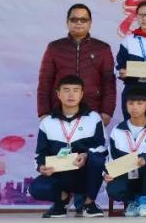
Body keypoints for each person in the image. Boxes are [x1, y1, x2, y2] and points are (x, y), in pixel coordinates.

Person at [30, 75, 108, 218]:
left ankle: (89, 204)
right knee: (36, 188)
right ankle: (62, 201)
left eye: (75, 90)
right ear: (58, 94)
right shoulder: (47, 122)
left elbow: (102, 147)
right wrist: (41, 167)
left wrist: (85, 155)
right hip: (60, 173)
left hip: (84, 173)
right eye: (66, 90)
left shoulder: (93, 118)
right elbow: (40, 154)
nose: (71, 94)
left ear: (82, 94)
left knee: (97, 159)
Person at [37, 4, 115, 128]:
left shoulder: (102, 49)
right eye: (74, 19)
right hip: (59, 111)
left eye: (83, 19)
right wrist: (44, 112)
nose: (78, 23)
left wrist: (107, 112)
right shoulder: (54, 48)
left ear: (90, 23)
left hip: (92, 111)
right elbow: (45, 82)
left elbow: (109, 84)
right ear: (67, 22)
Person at [104, 87, 146, 217]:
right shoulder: (118, 130)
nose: (134, 107)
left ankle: (145, 202)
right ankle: (132, 202)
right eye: (131, 103)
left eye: (139, 103)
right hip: (125, 172)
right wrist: (107, 173)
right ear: (126, 105)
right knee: (113, 190)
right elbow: (111, 156)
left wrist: (145, 157)